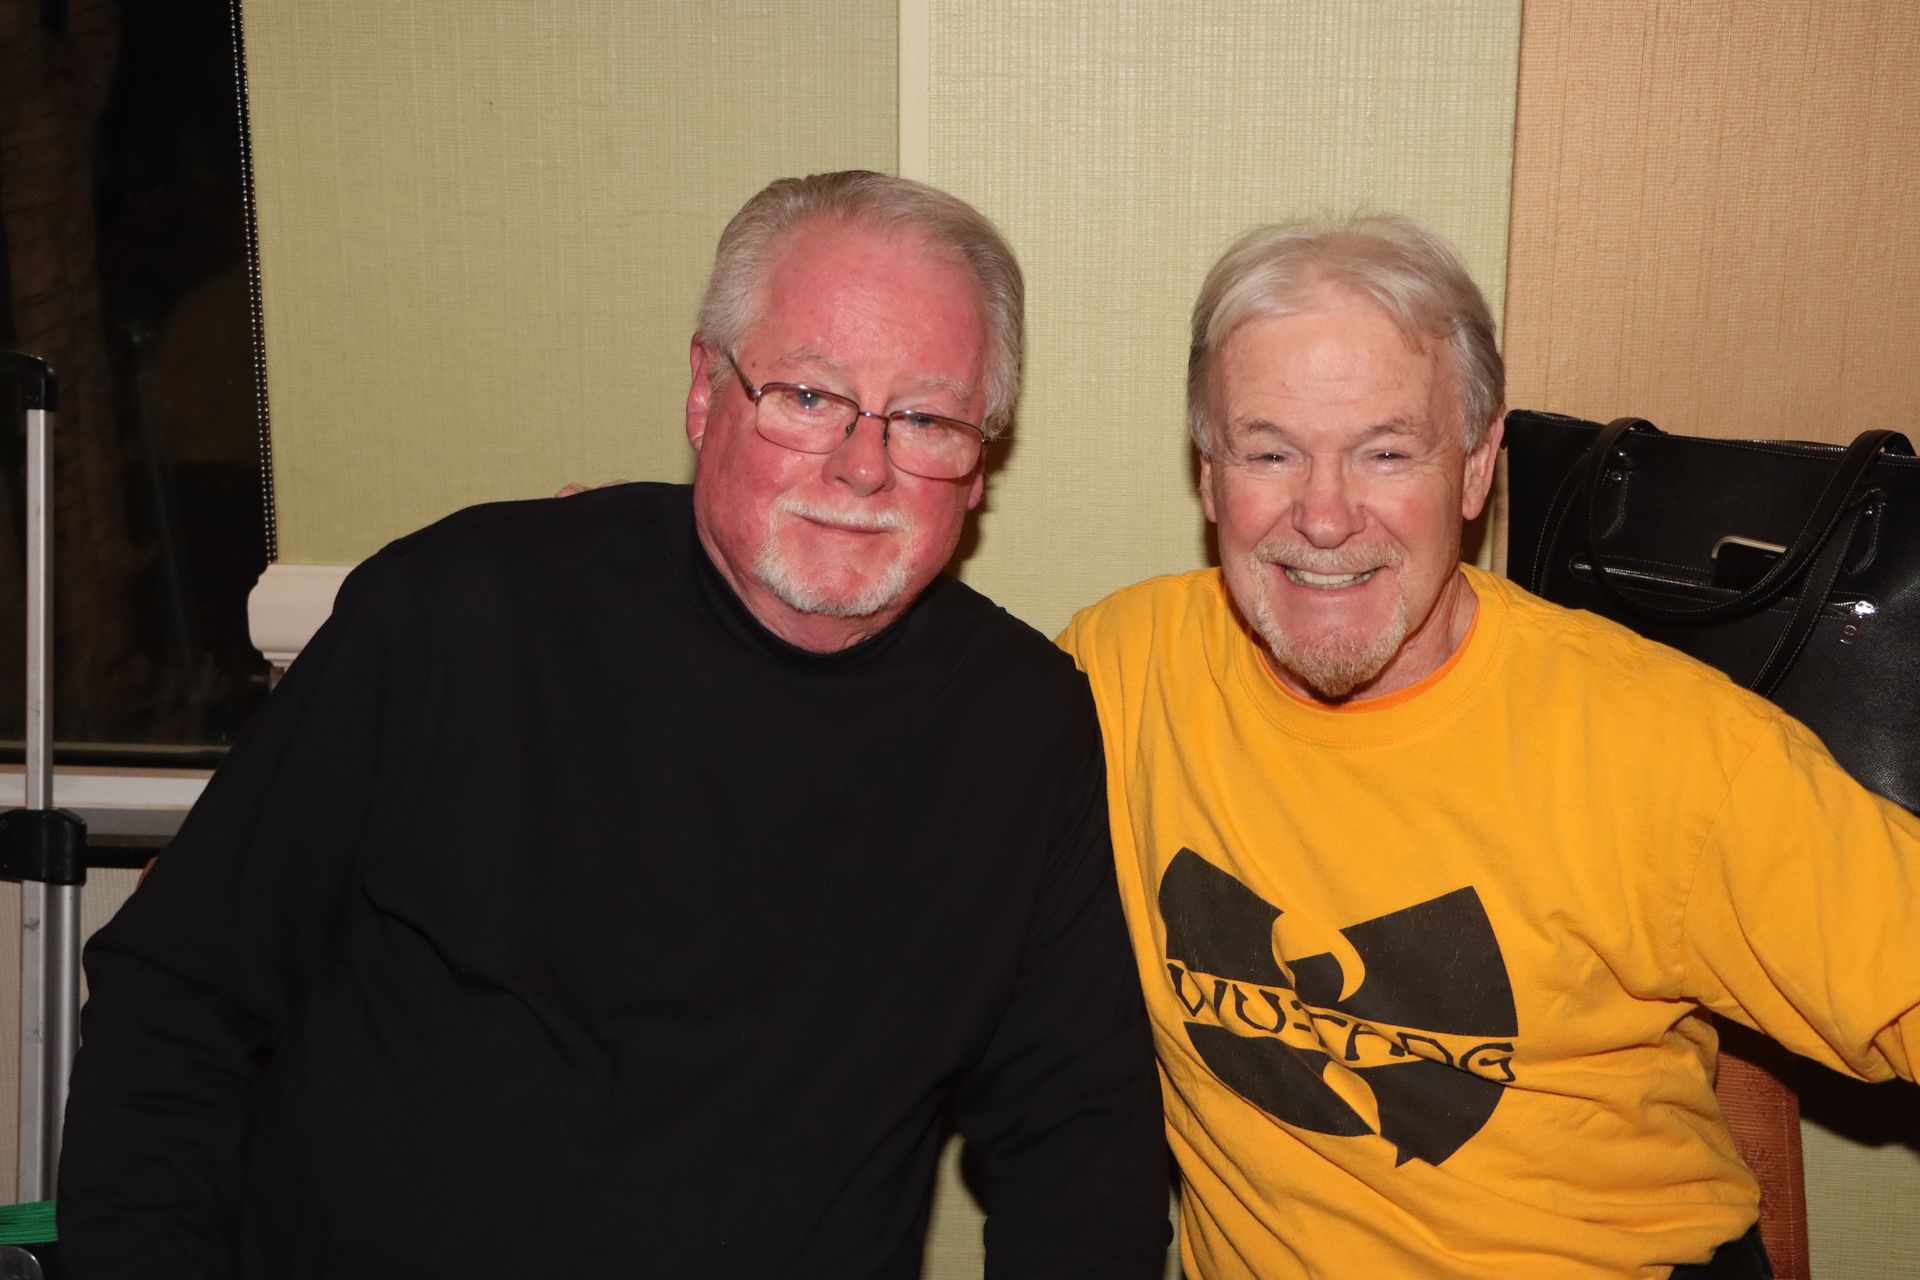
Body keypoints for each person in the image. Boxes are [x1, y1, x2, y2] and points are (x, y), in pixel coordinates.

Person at [59, 171, 1172, 1279]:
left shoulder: (1021, 725)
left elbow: (1081, 1146)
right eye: (807, 395)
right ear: (705, 391)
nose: (863, 463)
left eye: (925, 417)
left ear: (981, 461)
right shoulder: (458, 612)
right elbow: (180, 998)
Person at [1058, 213, 1920, 1278]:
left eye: (1386, 451)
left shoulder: (1667, 747)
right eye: (1272, 450)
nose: (1325, 516)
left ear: (1474, 470)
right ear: (1209, 476)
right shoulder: (1124, 670)